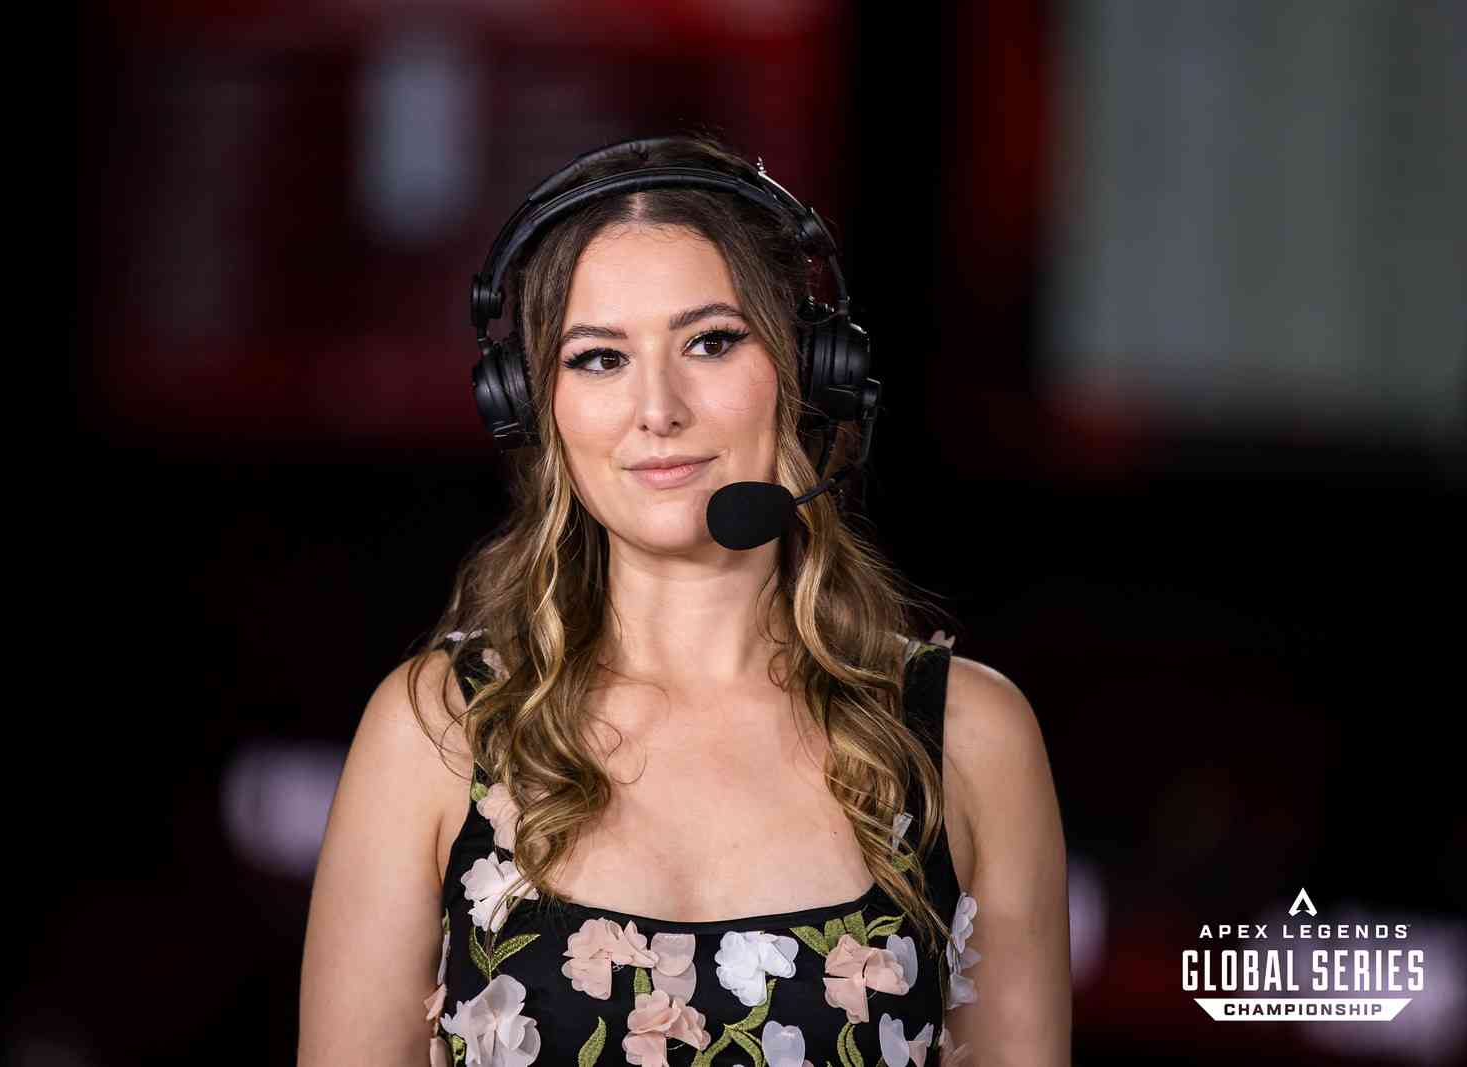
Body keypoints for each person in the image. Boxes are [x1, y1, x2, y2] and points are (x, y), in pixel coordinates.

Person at [299, 133, 1071, 1066]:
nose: (657, 408)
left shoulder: (970, 738)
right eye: (599, 358)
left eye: (710, 342)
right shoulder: (437, 730)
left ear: (809, 370)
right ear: (531, 404)